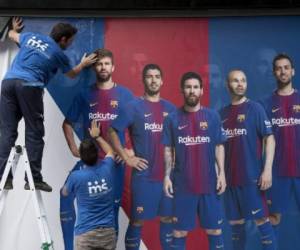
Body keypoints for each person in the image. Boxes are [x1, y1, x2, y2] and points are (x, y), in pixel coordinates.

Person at [0, 17, 97, 191]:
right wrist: (83, 64)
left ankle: (3, 178)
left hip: (8, 83)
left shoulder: (30, 37)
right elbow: (72, 74)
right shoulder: (59, 54)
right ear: (63, 39)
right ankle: (33, 179)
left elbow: (12, 35)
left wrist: (14, 28)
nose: (71, 45)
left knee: (7, 131)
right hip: (29, 86)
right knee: (34, 132)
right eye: (71, 41)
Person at [61, 48, 134, 250]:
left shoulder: (125, 95)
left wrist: (130, 152)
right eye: (99, 64)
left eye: (106, 64)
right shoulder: (84, 94)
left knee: (113, 210)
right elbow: (67, 124)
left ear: (113, 67)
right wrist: (74, 149)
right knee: (83, 209)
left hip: (115, 165)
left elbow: (135, 127)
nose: (103, 67)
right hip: (90, 165)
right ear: (94, 67)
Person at [108, 64, 176, 250]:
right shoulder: (133, 107)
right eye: (149, 76)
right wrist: (127, 157)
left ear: (162, 81)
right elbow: (112, 130)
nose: (153, 80)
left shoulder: (171, 108)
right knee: (137, 222)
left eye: (157, 76)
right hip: (144, 177)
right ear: (143, 80)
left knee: (168, 219)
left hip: (167, 178)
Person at [162, 71, 226, 250]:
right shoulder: (172, 118)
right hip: (183, 185)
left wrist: (222, 174)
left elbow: (219, 146)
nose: (192, 91)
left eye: (196, 87)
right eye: (188, 87)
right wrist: (167, 176)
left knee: (215, 230)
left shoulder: (213, 116)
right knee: (179, 232)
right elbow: (168, 149)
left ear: (202, 91)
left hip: (209, 184)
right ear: (182, 90)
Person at [220, 70, 276, 250]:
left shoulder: (255, 108)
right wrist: (219, 174)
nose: (240, 84)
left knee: (263, 223)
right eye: (235, 81)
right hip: (230, 182)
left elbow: (270, 138)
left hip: (252, 179)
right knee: (236, 227)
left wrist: (267, 170)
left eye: (243, 80)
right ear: (227, 85)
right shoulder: (221, 114)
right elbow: (217, 147)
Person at [260, 53, 300, 239]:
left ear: (293, 71)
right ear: (274, 73)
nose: (283, 71)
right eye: (278, 68)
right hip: (277, 171)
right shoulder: (265, 105)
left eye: (286, 67)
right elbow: (263, 140)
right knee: (274, 217)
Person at [62, 120, 117, 250]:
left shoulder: (76, 177)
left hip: (85, 235)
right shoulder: (107, 168)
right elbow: (110, 151)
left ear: (81, 156)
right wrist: (97, 136)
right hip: (108, 234)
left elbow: (64, 192)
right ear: (98, 154)